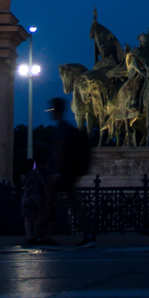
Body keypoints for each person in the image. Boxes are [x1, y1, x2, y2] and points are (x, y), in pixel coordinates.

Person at [44, 97, 97, 247]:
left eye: (51, 109)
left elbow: (61, 152)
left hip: (63, 174)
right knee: (72, 203)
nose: (49, 112)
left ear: (56, 110)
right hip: (69, 173)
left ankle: (40, 233)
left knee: (51, 202)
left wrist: (56, 173)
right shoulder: (66, 126)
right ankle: (88, 233)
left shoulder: (62, 128)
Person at [21, 161, 49, 244]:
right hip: (35, 197)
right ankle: (36, 236)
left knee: (27, 219)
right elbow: (42, 182)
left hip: (26, 197)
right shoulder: (36, 174)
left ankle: (29, 236)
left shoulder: (24, 176)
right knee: (36, 217)